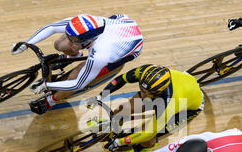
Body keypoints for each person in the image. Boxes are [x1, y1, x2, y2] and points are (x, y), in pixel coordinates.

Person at [11, 14, 143, 114]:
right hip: (121, 22)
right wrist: (27, 43)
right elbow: (51, 27)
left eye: (74, 40)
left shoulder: (101, 54)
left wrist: (46, 84)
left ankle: (51, 101)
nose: (69, 41)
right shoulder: (82, 23)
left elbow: (79, 83)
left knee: (75, 76)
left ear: (88, 41)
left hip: (124, 51)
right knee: (59, 44)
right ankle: (74, 55)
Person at [89, 64, 204, 152]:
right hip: (182, 83)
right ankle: (114, 122)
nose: (142, 95)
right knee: (126, 108)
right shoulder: (146, 72)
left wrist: (119, 142)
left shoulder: (169, 104)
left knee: (149, 136)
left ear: (158, 92)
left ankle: (145, 147)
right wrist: (100, 96)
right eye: (142, 90)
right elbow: (122, 79)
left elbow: (148, 132)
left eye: (146, 92)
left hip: (188, 107)